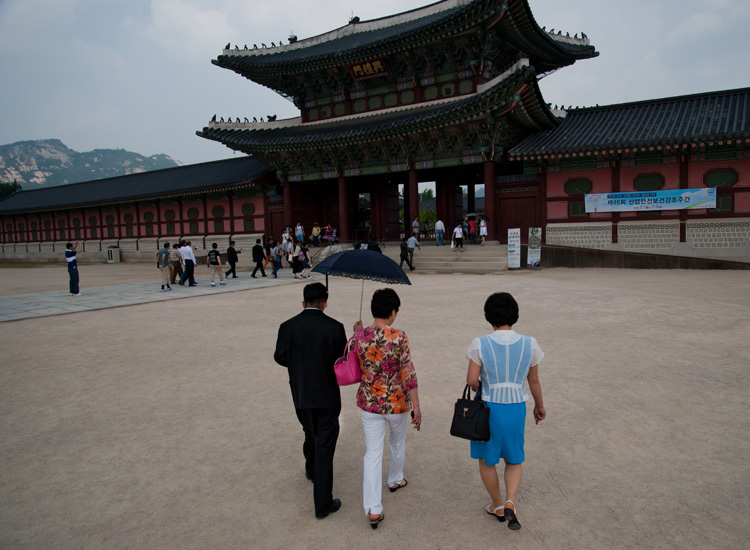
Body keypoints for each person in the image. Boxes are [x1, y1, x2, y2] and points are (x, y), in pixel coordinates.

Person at [464, 292, 545, 531]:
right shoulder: (530, 344)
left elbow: (471, 380)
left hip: (489, 408)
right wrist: (539, 406)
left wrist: (481, 385)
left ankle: (498, 504)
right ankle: (511, 501)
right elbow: (534, 382)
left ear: (489, 317)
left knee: (486, 459)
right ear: (515, 315)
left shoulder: (480, 343)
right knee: (514, 457)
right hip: (516, 407)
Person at [274, 282, 348, 519]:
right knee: (325, 444)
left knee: (309, 431)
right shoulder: (335, 327)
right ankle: (322, 503)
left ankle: (311, 469)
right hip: (327, 394)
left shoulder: (287, 327)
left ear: (303, 302)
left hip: (301, 392)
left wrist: (299, 366)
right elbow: (342, 359)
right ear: (325, 303)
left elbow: (280, 356)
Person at [353, 288, 421, 529]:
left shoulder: (359, 336)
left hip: (370, 403)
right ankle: (395, 479)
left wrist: (356, 332)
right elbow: (408, 372)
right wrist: (417, 405)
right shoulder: (399, 336)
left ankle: (373, 509)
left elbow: (358, 360)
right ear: (392, 312)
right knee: (397, 442)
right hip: (397, 402)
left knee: (372, 453)